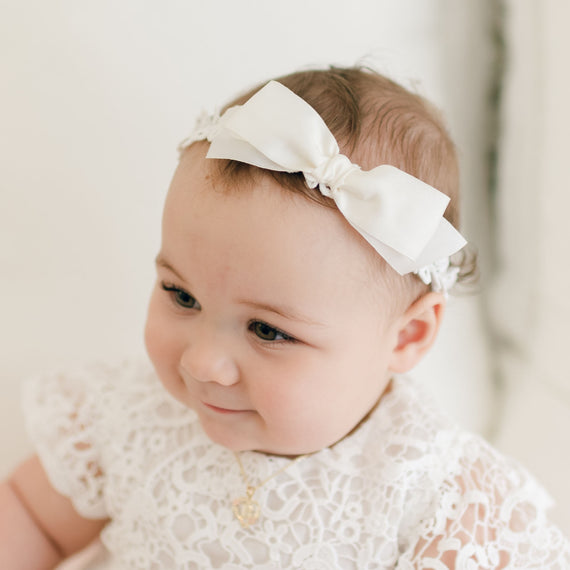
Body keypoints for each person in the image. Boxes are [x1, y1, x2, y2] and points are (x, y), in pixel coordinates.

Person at [0, 66, 568, 569]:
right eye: (182, 296)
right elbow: (34, 518)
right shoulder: (132, 416)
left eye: (268, 330)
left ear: (408, 335)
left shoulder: (440, 500)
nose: (202, 363)